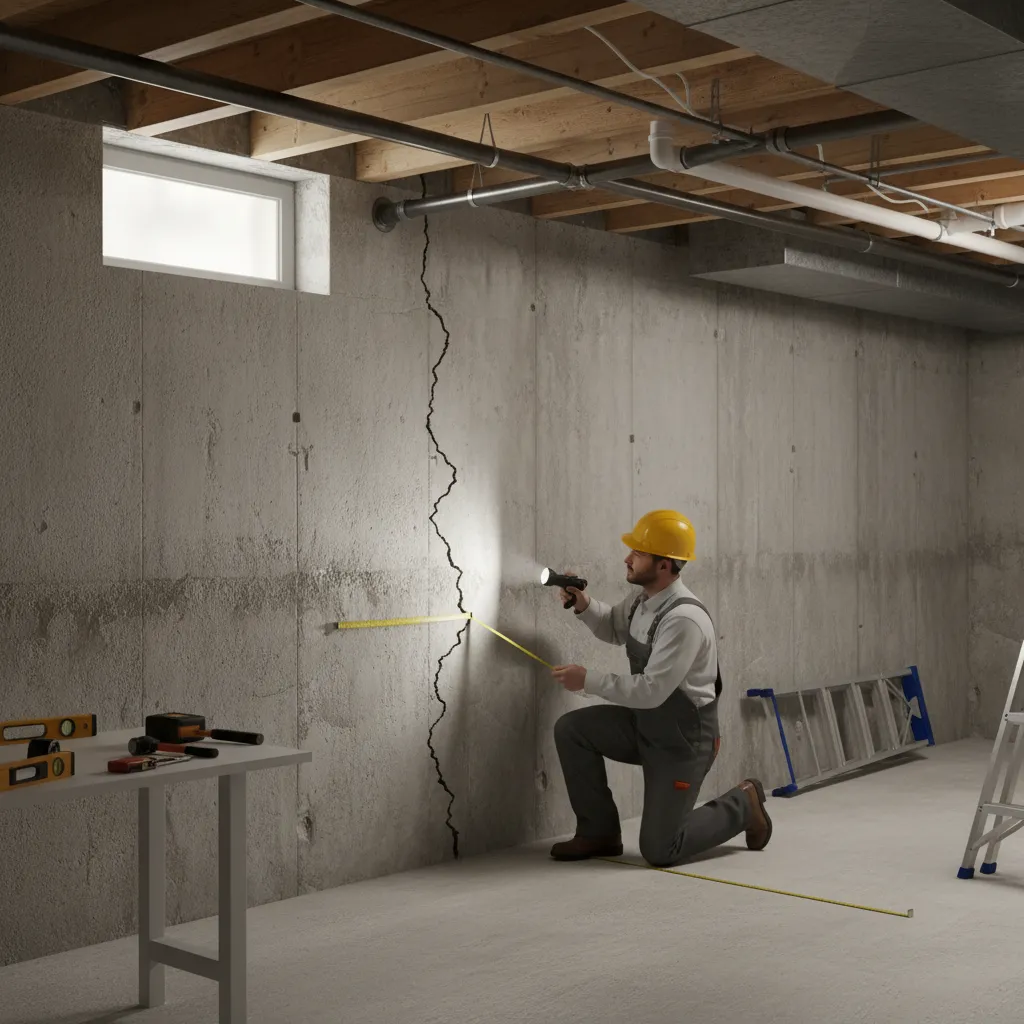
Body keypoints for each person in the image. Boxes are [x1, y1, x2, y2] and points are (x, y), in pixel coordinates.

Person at [548, 509, 772, 867]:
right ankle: (598, 833)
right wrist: (583, 604)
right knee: (572, 730)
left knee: (661, 848)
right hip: (646, 725)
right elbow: (613, 627)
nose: (628, 559)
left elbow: (652, 690)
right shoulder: (644, 600)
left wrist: (586, 680)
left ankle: (744, 804)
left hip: (683, 741)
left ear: (665, 565)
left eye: (638, 553)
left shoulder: (684, 620)